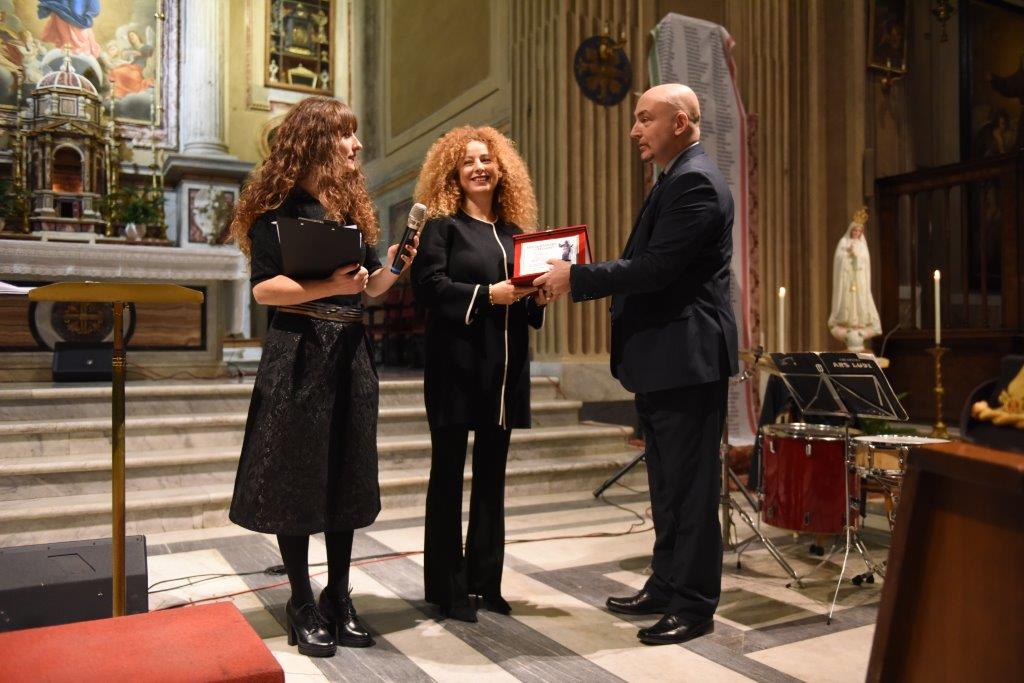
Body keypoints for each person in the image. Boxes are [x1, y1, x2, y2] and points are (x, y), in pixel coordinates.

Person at [534, 83, 738, 646]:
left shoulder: (695, 181)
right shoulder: (674, 178)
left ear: (680, 122)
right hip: (666, 358)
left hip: (687, 358)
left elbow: (656, 268)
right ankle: (666, 583)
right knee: (667, 485)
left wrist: (575, 276)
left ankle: (693, 604)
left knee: (691, 489)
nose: (634, 130)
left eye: (645, 118)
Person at [228, 96, 417, 657]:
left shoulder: (351, 211)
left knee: (345, 472)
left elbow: (370, 286)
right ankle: (301, 602)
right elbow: (266, 290)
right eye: (346, 135)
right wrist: (329, 286)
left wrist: (396, 266)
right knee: (296, 475)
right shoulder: (276, 213)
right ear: (314, 141)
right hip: (299, 351)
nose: (357, 145)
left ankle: (337, 596)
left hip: (349, 352)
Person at [411, 125, 550, 622]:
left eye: (486, 160)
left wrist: (539, 298)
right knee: (447, 477)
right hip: (455, 366)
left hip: (503, 371)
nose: (479, 168)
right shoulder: (441, 228)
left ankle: (485, 582)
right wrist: (487, 295)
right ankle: (448, 589)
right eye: (468, 161)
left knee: (492, 478)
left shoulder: (515, 234)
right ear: (454, 172)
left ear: (501, 169)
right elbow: (429, 288)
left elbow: (523, 302)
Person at [828, 206, 881, 351]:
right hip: (847, 279)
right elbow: (839, 259)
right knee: (848, 300)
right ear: (851, 230)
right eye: (854, 231)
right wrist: (847, 255)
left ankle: (859, 322)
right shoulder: (844, 242)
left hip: (859, 279)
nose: (856, 233)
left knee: (859, 300)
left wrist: (856, 256)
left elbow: (865, 262)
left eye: (859, 231)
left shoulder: (862, 245)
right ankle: (847, 321)